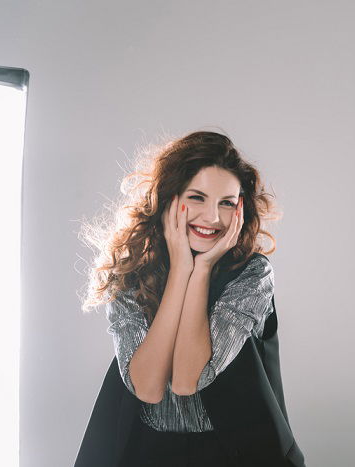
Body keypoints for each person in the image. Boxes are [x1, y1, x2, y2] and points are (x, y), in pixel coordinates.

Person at [75, 131, 305, 466]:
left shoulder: (252, 275)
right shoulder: (132, 271)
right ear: (170, 199)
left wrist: (201, 269)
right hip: (145, 451)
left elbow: (187, 380)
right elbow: (148, 388)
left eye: (227, 203)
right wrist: (181, 268)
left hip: (237, 452)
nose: (212, 218)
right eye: (197, 197)